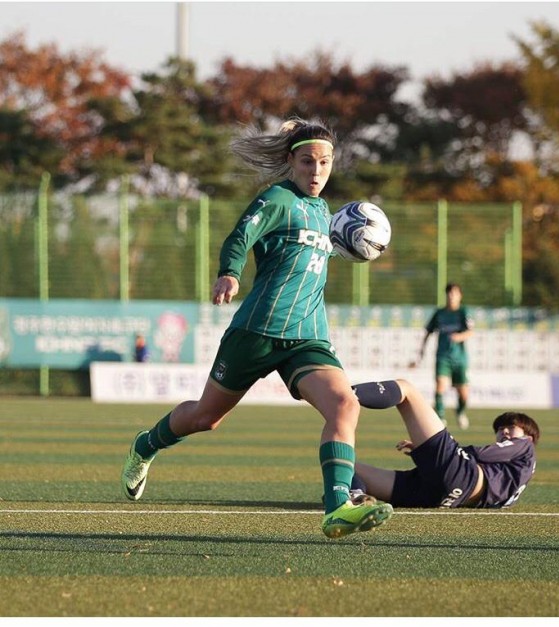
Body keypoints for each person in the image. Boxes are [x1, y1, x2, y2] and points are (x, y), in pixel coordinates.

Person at [120, 117, 393, 539]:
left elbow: (311, 259)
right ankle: (146, 445)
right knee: (206, 418)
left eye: (325, 163)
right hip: (257, 332)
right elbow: (239, 236)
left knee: (345, 405)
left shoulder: (326, 214)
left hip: (307, 338)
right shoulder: (279, 199)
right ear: (291, 161)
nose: (316, 171)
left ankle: (337, 507)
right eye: (307, 162)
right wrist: (229, 273)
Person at [349, 378, 539, 509]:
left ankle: (342, 394)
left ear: (529, 437)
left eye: (511, 427)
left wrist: (435, 449)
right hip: (445, 497)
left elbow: (480, 454)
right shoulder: (518, 477)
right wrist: (426, 452)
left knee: (406, 389)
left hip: (462, 476)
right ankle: (355, 499)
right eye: (499, 429)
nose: (503, 431)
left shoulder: (526, 445)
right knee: (346, 466)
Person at [411, 282, 473, 430]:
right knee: (440, 386)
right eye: (449, 293)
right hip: (443, 357)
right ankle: (440, 417)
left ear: (460, 296)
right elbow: (427, 332)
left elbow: (471, 331)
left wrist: (459, 336)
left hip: (460, 359)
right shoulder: (439, 313)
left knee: (463, 393)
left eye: (455, 293)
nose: (451, 296)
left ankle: (460, 411)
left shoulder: (463, 312)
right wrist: (421, 354)